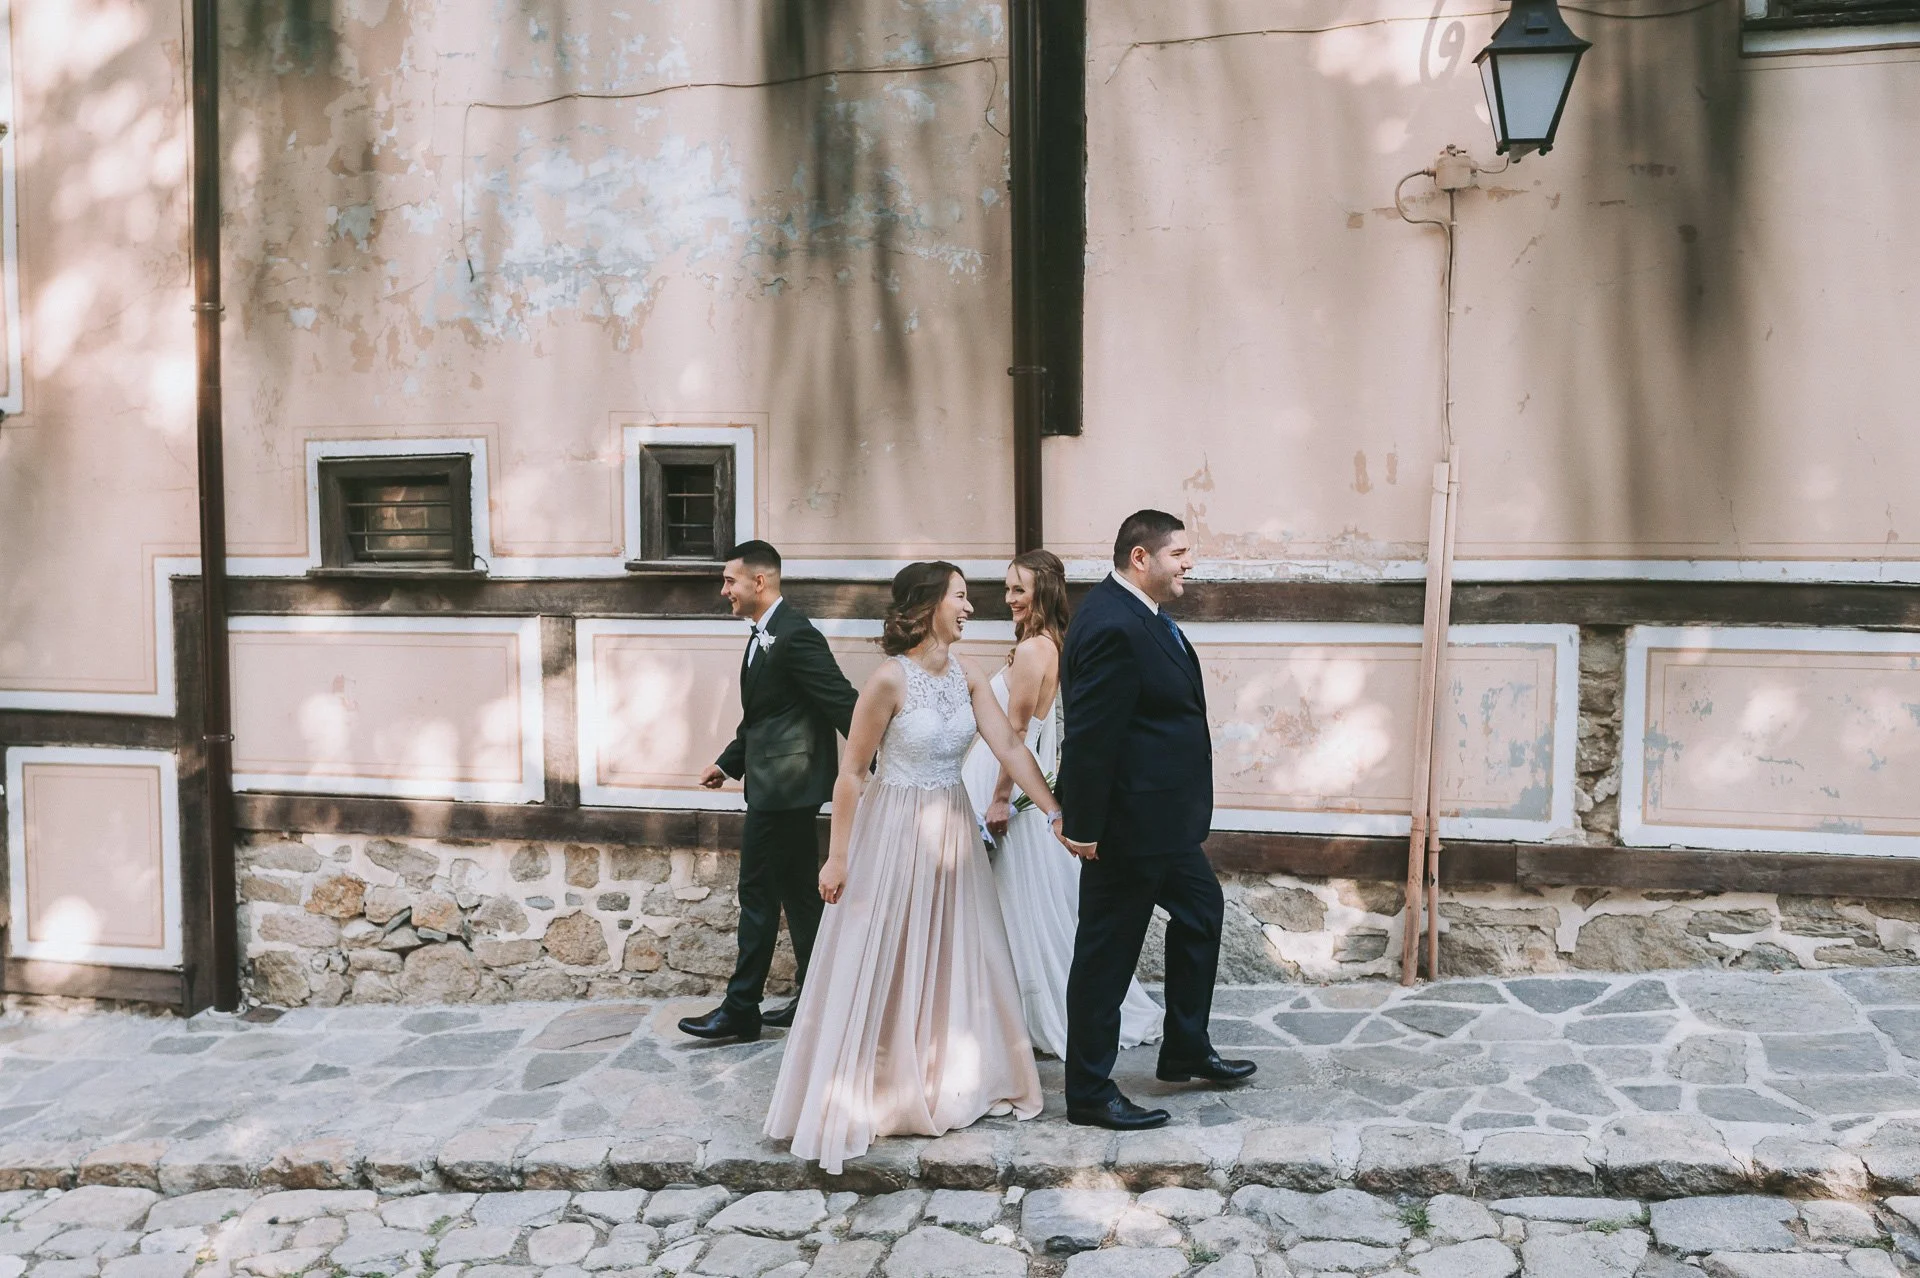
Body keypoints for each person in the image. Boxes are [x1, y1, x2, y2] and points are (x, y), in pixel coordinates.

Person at [765, 562, 1059, 1174]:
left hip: (951, 827)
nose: (971, 607)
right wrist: (838, 856)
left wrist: (1057, 810)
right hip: (894, 828)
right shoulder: (887, 682)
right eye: (960, 597)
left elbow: (1008, 745)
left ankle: (944, 1075)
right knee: (888, 950)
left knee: (955, 949)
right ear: (928, 605)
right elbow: (852, 773)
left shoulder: (970, 673)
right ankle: (873, 1084)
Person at [1055, 510, 1257, 1130]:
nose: (1188, 563)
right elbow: (1092, 735)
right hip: (1126, 826)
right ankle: (1088, 1091)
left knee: (1201, 911)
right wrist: (1084, 826)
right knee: (1105, 956)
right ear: (1140, 558)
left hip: (1163, 821)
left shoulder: (1143, 616)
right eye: (1180, 553)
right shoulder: (1113, 623)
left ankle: (1185, 1048)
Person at [961, 549, 1164, 1059]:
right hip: (1016, 790)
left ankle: (1042, 1013)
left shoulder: (1035, 653)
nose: (1008, 599)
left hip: (1008, 796)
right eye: (1007, 588)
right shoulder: (1048, 644)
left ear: (1043, 592)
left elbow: (1018, 733)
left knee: (1026, 907)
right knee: (1020, 905)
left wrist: (1000, 799)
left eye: (1018, 590)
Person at [678, 541, 859, 1043]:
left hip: (784, 793)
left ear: (759, 581)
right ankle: (818, 996)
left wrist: (879, 760)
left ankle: (741, 1009)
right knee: (801, 895)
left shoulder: (796, 634)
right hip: (778, 789)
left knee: (757, 894)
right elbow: (767, 716)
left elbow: (842, 701)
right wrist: (727, 761)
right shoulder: (765, 634)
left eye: (729, 580)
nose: (724, 591)